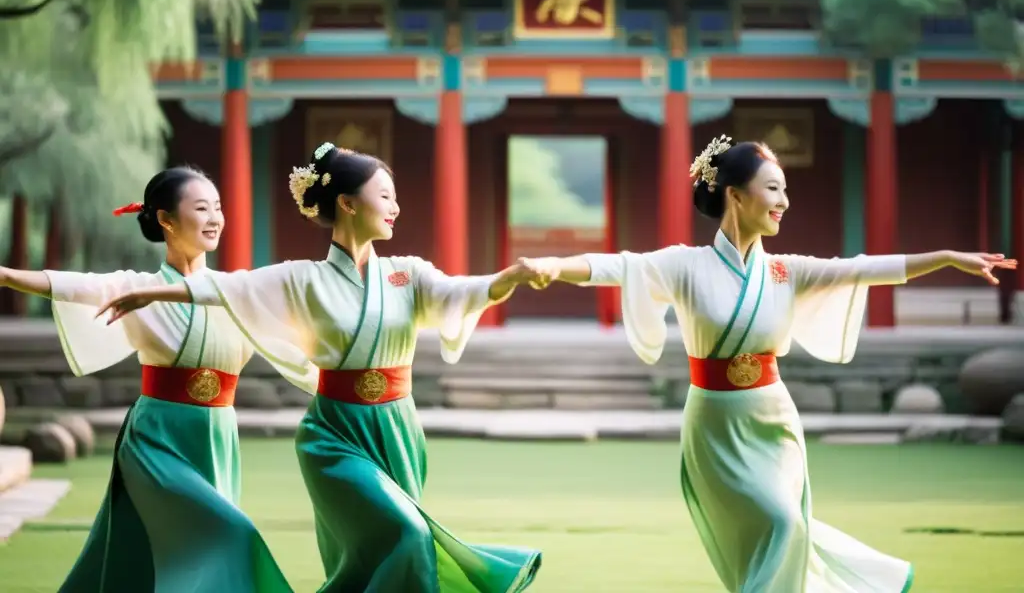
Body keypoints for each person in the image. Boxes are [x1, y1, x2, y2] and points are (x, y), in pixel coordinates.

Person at [516, 135, 1016, 593]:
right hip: (715, 422)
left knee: (788, 526)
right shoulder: (686, 265)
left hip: (773, 418)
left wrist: (947, 257)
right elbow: (617, 267)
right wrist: (554, 266)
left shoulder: (784, 271)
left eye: (785, 190)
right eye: (773, 189)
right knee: (778, 525)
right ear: (735, 195)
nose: (784, 202)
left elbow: (863, 269)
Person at [94, 143, 543, 593]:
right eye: (384, 196)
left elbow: (462, 292)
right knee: (411, 533)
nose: (395, 207)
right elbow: (231, 289)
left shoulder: (409, 274)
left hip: (398, 428)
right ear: (347, 203)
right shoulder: (302, 277)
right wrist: (155, 294)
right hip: (333, 434)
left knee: (375, 555)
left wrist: (509, 278)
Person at [0, 167, 311, 593]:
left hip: (217, 434)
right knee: (228, 534)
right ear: (166, 219)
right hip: (157, 437)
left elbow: (299, 298)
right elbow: (70, 285)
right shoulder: (135, 286)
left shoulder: (235, 290)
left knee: (162, 550)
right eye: (202, 208)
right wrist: (5, 275)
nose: (215, 218)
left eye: (218, 208)